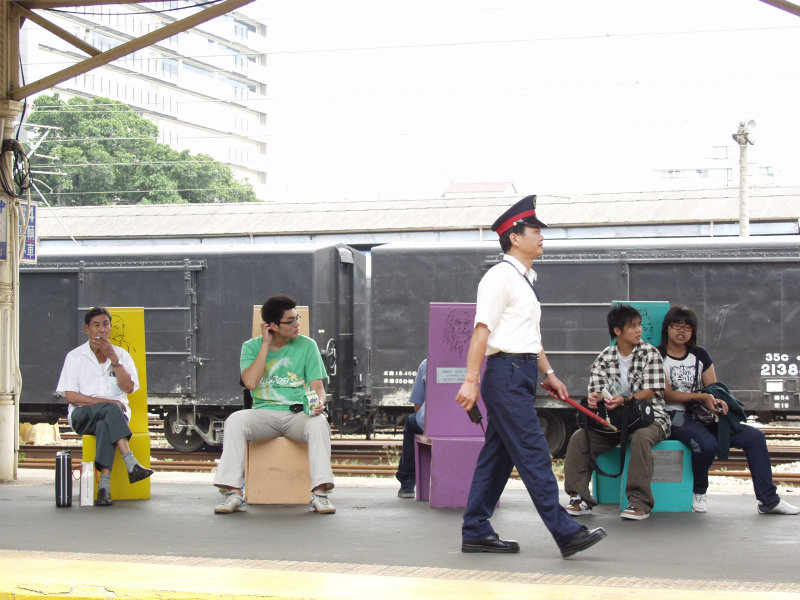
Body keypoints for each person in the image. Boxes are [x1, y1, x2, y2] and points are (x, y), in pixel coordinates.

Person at [455, 195, 606, 559]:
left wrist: (548, 373)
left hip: (519, 372)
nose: (541, 236)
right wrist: (470, 380)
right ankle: (565, 531)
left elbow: (529, 338)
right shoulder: (500, 277)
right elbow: (481, 331)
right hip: (505, 374)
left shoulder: (525, 279)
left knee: (498, 457)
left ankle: (475, 529)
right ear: (514, 236)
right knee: (535, 453)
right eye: (534, 230)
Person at [659, 305, 799, 515]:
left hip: (703, 414)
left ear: (693, 331)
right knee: (707, 444)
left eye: (687, 327)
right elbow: (667, 394)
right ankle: (699, 490)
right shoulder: (658, 355)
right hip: (674, 415)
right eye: (676, 326)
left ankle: (769, 500)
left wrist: (717, 402)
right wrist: (702, 396)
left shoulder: (700, 354)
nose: (682, 331)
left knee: (755, 437)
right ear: (667, 328)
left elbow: (712, 388)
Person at [213, 294, 336, 515]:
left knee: (319, 422)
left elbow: (318, 388)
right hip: (263, 414)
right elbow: (250, 382)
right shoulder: (251, 347)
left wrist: (319, 403)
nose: (297, 324)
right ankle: (233, 492)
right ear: (272, 326)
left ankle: (319, 494)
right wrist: (266, 346)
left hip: (298, 414)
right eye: (290, 321)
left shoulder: (308, 345)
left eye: (296, 318)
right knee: (235, 421)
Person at [562, 304, 668, 520]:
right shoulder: (604, 357)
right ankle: (580, 497)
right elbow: (598, 390)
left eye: (639, 325)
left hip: (650, 418)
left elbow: (649, 393)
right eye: (633, 326)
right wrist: (596, 398)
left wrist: (626, 399)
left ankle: (639, 503)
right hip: (615, 420)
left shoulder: (650, 353)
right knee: (580, 438)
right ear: (617, 331)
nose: (639, 330)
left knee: (640, 438)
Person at [56, 307, 153, 506]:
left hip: (114, 418)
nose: (102, 330)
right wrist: (108, 403)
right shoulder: (75, 357)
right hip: (82, 415)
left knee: (105, 425)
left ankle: (104, 489)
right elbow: (71, 396)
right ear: (86, 329)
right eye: (96, 325)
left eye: (105, 325)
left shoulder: (122, 355)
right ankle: (131, 462)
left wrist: (114, 360)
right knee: (111, 409)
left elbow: (128, 388)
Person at [395, 358, 427, 498]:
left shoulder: (427, 363)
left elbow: (417, 405)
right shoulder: (480, 359)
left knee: (410, 423)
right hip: (473, 424)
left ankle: (407, 484)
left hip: (432, 424)